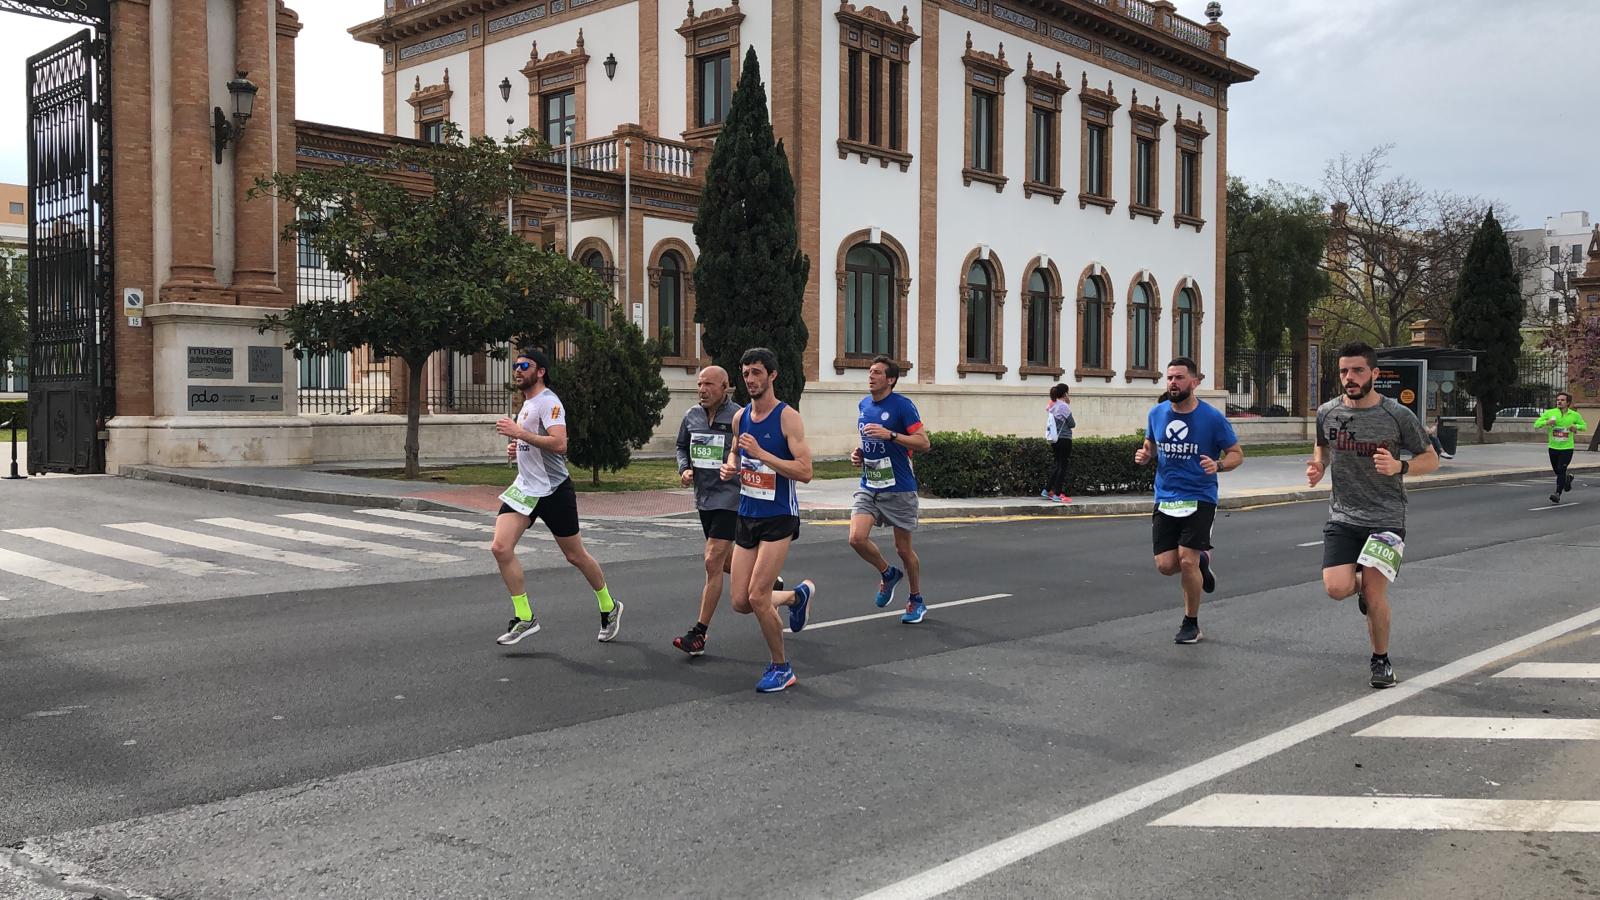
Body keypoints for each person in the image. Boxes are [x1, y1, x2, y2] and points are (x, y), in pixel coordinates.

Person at [1307, 340, 1439, 689]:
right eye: (1344, 372)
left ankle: (1381, 661)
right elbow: (1322, 443)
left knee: (1377, 594)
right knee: (1336, 588)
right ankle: (1361, 587)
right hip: (1343, 515)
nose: (1350, 378)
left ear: (1375, 374)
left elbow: (1431, 458)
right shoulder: (1328, 411)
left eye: (1358, 371)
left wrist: (1401, 466)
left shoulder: (1397, 415)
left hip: (1386, 517)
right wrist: (1319, 465)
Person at [491, 348, 621, 646]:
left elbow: (560, 444)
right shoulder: (526, 405)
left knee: (575, 555)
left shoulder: (549, 402)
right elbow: (533, 442)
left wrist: (519, 435)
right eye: (515, 365)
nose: (518, 369)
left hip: (553, 490)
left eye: (525, 365)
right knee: (500, 547)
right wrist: (517, 448)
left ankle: (609, 606)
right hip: (525, 488)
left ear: (540, 371)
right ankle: (525, 617)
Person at [718, 348, 818, 693]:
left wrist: (762, 454)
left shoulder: (787, 418)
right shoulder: (740, 417)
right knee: (741, 602)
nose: (750, 380)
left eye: (757, 373)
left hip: (778, 516)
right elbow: (735, 448)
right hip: (748, 514)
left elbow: (805, 472)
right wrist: (730, 463)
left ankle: (782, 667)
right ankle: (795, 597)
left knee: (759, 596)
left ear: (772, 375)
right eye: (746, 374)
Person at [1134, 358, 1243, 645]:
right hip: (1166, 497)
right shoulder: (1156, 414)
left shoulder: (1212, 418)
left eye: (1180, 378)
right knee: (1166, 565)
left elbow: (1236, 454)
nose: (1173, 382)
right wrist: (1146, 455)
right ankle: (1203, 560)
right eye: (1170, 378)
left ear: (1194, 382)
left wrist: (1218, 466)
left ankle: (1191, 623)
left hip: (1200, 496)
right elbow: (1151, 445)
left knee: (1186, 559)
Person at [847, 356, 932, 623]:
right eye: (869, 372)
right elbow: (870, 443)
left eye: (877, 373)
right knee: (856, 538)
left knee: (903, 549)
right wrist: (859, 454)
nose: (870, 376)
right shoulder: (863, 404)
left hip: (899, 487)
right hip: (870, 483)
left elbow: (923, 442)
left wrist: (892, 435)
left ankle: (916, 599)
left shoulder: (903, 406)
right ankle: (887, 573)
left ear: (891, 379)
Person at [1533, 392, 1586, 504]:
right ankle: (1567, 479)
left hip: (1567, 448)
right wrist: (1547, 422)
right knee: (1557, 471)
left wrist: (1575, 427)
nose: (1559, 402)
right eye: (1558, 400)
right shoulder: (1550, 413)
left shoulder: (1574, 415)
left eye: (1562, 400)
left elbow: (1584, 426)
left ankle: (1557, 493)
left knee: (1561, 470)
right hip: (1553, 447)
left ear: (1568, 403)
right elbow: (1536, 424)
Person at [1041, 383, 1075, 503]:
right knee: (1062, 466)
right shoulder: (1063, 407)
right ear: (1065, 393)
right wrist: (1066, 401)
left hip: (1054, 439)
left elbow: (1051, 406)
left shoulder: (1052, 404)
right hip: (1064, 439)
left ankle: (1046, 490)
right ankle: (1057, 494)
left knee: (1057, 464)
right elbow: (1072, 424)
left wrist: (1065, 400)